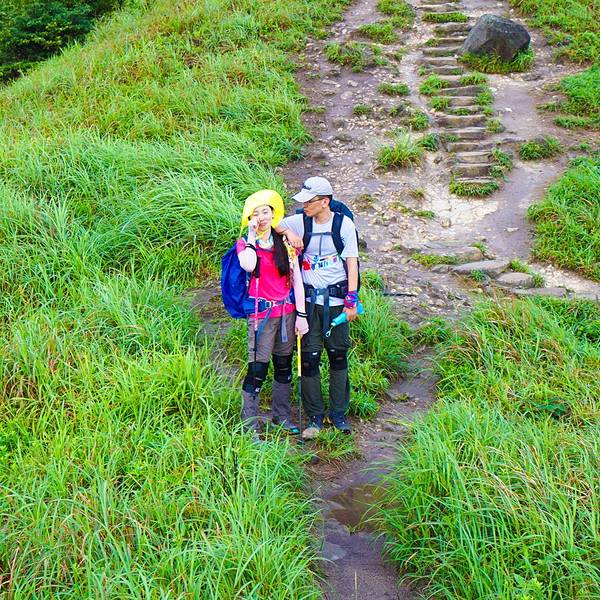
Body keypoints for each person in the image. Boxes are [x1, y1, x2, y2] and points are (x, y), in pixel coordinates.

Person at [276, 177, 359, 440]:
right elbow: (271, 222)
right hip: (309, 305)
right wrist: (288, 233)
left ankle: (338, 414)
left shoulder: (344, 225)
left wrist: (352, 301)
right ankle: (314, 416)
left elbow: (352, 263)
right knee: (309, 359)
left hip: (337, 303)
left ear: (325, 201)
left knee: (338, 356)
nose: (304, 206)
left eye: (309, 201)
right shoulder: (300, 221)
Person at [236, 190, 309, 436]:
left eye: (265, 212)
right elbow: (248, 265)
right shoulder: (245, 244)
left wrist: (302, 315)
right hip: (261, 316)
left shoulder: (285, 245)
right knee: (257, 370)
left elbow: (297, 281)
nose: (262, 217)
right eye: (256, 214)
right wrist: (251, 234)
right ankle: (249, 428)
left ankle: (282, 417)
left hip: (287, 313)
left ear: (273, 214)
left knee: (283, 366)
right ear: (250, 219)